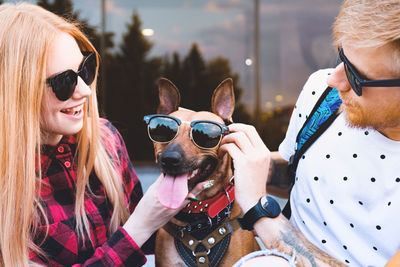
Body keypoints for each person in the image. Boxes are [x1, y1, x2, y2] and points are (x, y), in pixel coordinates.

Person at [0, 3, 205, 266]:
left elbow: (158, 238)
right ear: (14, 90)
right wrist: (138, 227)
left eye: (84, 70)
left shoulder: (104, 139)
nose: (85, 90)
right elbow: (139, 230)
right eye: (64, 82)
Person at [220, 0, 400, 266]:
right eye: (341, 58)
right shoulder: (323, 96)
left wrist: (260, 211)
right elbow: (299, 175)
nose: (334, 81)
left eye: (356, 75)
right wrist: (233, 165)